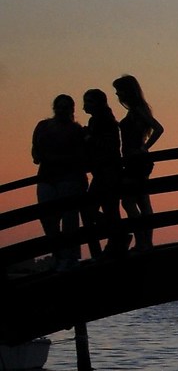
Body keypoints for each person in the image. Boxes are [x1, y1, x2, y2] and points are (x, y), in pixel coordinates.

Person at [30, 94, 84, 266]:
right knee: (47, 218)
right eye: (59, 106)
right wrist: (39, 156)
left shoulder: (76, 130)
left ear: (72, 110)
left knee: (69, 219)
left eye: (66, 107)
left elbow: (80, 154)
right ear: (54, 108)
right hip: (46, 176)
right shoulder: (43, 126)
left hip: (68, 177)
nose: (62, 110)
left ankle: (70, 257)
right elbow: (35, 149)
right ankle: (59, 254)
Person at [112, 75, 162, 251]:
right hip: (137, 160)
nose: (117, 94)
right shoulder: (137, 109)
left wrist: (144, 147)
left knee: (128, 202)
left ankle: (143, 241)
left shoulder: (137, 110)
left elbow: (158, 128)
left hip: (136, 161)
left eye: (119, 90)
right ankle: (145, 242)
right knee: (142, 201)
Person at [79, 88, 123, 258]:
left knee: (94, 209)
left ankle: (116, 239)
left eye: (89, 102)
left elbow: (110, 147)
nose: (85, 106)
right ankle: (117, 238)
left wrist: (88, 138)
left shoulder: (104, 121)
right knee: (107, 209)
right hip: (104, 171)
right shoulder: (99, 120)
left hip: (108, 171)